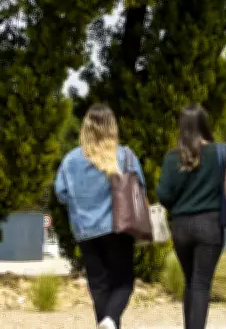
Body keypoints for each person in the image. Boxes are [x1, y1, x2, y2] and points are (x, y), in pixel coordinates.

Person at [54, 103, 144, 329]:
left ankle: (106, 322)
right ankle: (111, 319)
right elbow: (139, 185)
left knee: (99, 286)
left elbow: (61, 193)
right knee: (124, 282)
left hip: (86, 232)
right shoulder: (124, 156)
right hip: (118, 228)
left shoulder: (70, 160)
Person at [156, 104, 226, 329]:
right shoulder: (219, 153)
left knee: (190, 281)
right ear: (205, 124)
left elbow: (163, 195)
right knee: (201, 284)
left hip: (181, 227)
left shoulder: (172, 158)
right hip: (210, 225)